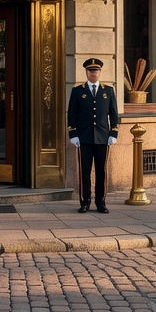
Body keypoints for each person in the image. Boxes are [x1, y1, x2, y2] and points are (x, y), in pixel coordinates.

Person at [66, 57, 119, 213]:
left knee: (102, 171)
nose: (93, 73)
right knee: (85, 171)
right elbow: (72, 114)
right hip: (84, 138)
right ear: (86, 72)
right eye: (91, 70)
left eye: (96, 70)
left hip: (103, 137)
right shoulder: (78, 91)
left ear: (100, 72)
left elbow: (114, 113)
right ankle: (85, 202)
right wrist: (73, 133)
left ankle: (101, 202)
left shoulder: (107, 90)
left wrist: (114, 132)